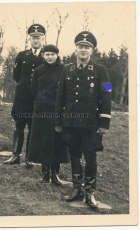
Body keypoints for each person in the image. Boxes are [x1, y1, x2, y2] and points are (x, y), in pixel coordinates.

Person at [55, 31, 111, 208]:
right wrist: (58, 121)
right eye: (80, 46)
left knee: (90, 155)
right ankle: (77, 189)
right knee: (74, 155)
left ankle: (90, 192)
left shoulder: (101, 70)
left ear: (92, 50)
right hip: (70, 121)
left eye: (87, 47)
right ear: (76, 49)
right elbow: (60, 96)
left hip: (91, 123)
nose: (83, 50)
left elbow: (107, 94)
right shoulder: (67, 69)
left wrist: (104, 123)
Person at [4, 24, 46, 166]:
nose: (36, 40)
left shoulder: (47, 56)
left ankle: (29, 157)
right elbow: (16, 76)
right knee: (19, 125)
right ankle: (15, 155)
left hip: (37, 99)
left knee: (33, 127)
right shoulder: (22, 55)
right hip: (22, 97)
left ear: (43, 39)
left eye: (38, 38)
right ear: (29, 39)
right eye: (33, 38)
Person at [28, 44, 70, 185]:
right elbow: (34, 90)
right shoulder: (38, 70)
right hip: (41, 110)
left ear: (57, 55)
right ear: (43, 56)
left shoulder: (63, 69)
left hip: (58, 110)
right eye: (47, 54)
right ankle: (45, 174)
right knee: (43, 141)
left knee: (57, 141)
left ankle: (55, 174)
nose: (50, 57)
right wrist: (41, 102)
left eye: (53, 54)